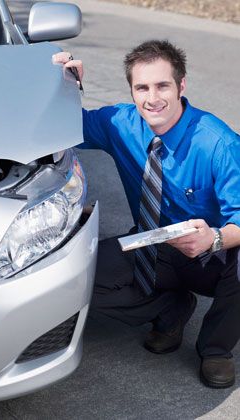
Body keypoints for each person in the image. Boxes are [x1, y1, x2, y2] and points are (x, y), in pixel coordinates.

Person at [52, 40, 240, 388]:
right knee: (72, 279)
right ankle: (168, 310)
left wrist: (213, 239)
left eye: (162, 85)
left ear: (181, 86)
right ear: (132, 91)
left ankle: (216, 348)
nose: (152, 98)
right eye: (142, 87)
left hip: (212, 255)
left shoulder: (218, 142)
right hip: (154, 244)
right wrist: (61, 86)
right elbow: (61, 126)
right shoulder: (119, 123)